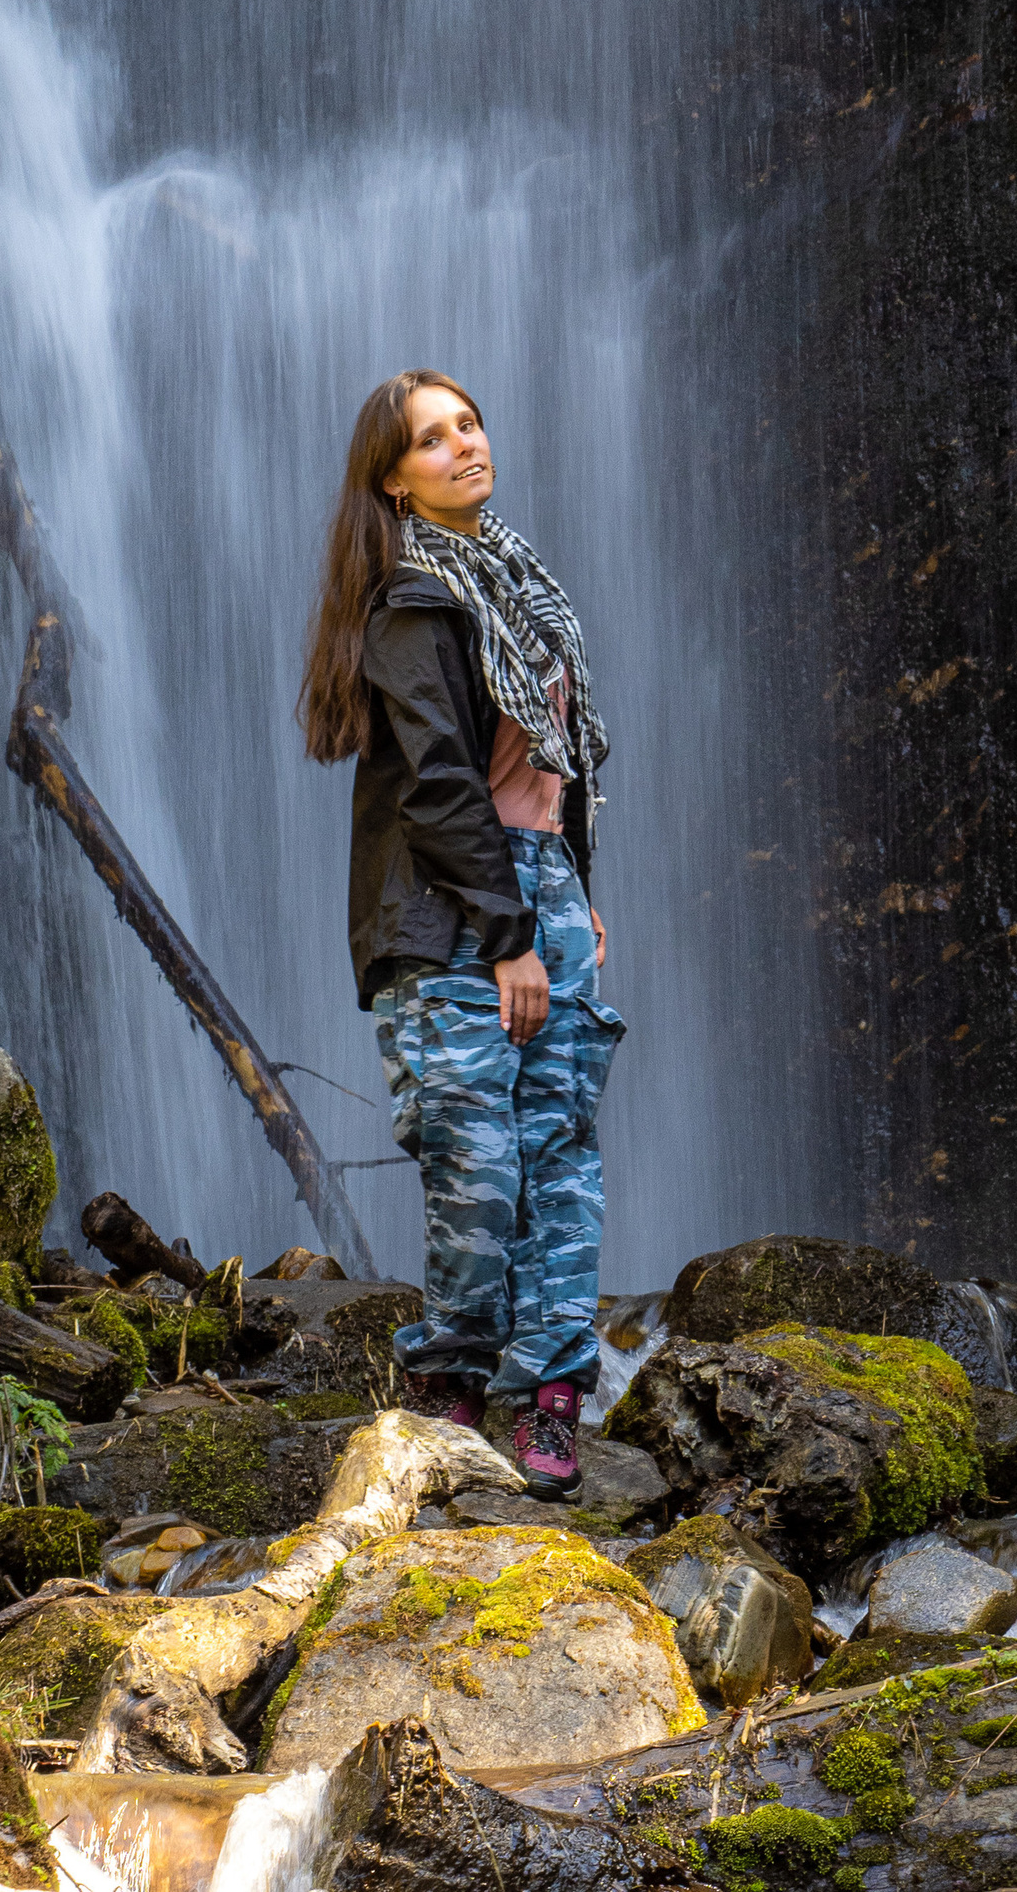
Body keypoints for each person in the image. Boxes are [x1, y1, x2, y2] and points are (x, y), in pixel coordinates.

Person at [298, 368, 620, 1499]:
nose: (463, 446)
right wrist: (509, 936)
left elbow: (559, 767)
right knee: (479, 1166)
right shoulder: (410, 602)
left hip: (541, 898)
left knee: (562, 1160)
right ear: (395, 478)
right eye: (432, 440)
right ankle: (454, 1389)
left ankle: (554, 1400)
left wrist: (575, 900)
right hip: (451, 916)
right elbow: (438, 784)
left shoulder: (521, 590)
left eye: (470, 423)